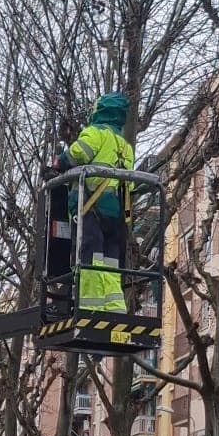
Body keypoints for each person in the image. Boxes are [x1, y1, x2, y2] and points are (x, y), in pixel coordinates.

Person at [61, 91, 135, 313]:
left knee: (89, 256)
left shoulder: (95, 133)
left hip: (90, 209)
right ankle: (114, 308)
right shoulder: (125, 147)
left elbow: (75, 156)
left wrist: (58, 163)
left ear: (100, 110)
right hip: (115, 213)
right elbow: (128, 186)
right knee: (111, 261)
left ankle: (88, 307)